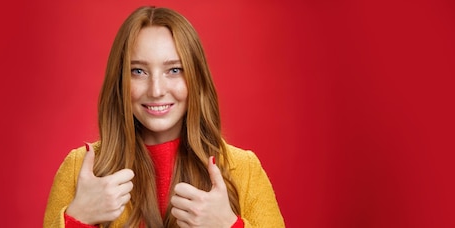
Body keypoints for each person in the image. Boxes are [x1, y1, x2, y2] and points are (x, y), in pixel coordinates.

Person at [43, 6, 285, 228]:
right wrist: (77, 219)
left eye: (174, 70)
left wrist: (229, 226)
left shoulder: (244, 170)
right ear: (120, 82)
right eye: (138, 71)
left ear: (196, 79)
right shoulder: (80, 170)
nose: (156, 90)